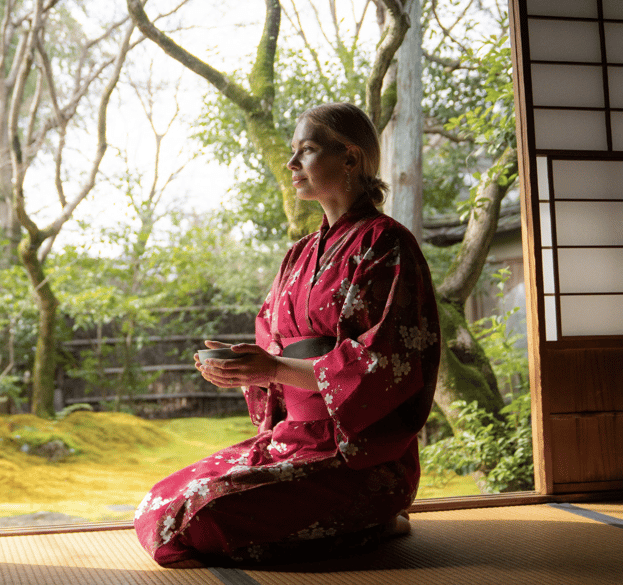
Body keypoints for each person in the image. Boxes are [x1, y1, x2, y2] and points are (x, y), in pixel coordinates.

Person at [133, 102, 441, 565]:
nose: (292, 164)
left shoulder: (387, 244)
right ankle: (354, 528)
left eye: (307, 150)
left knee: (199, 518)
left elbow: (388, 363)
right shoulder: (299, 254)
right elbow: (272, 344)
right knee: (158, 505)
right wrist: (246, 366)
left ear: (351, 159)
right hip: (291, 439)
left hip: (354, 455)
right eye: (293, 152)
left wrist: (274, 367)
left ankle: (375, 515)